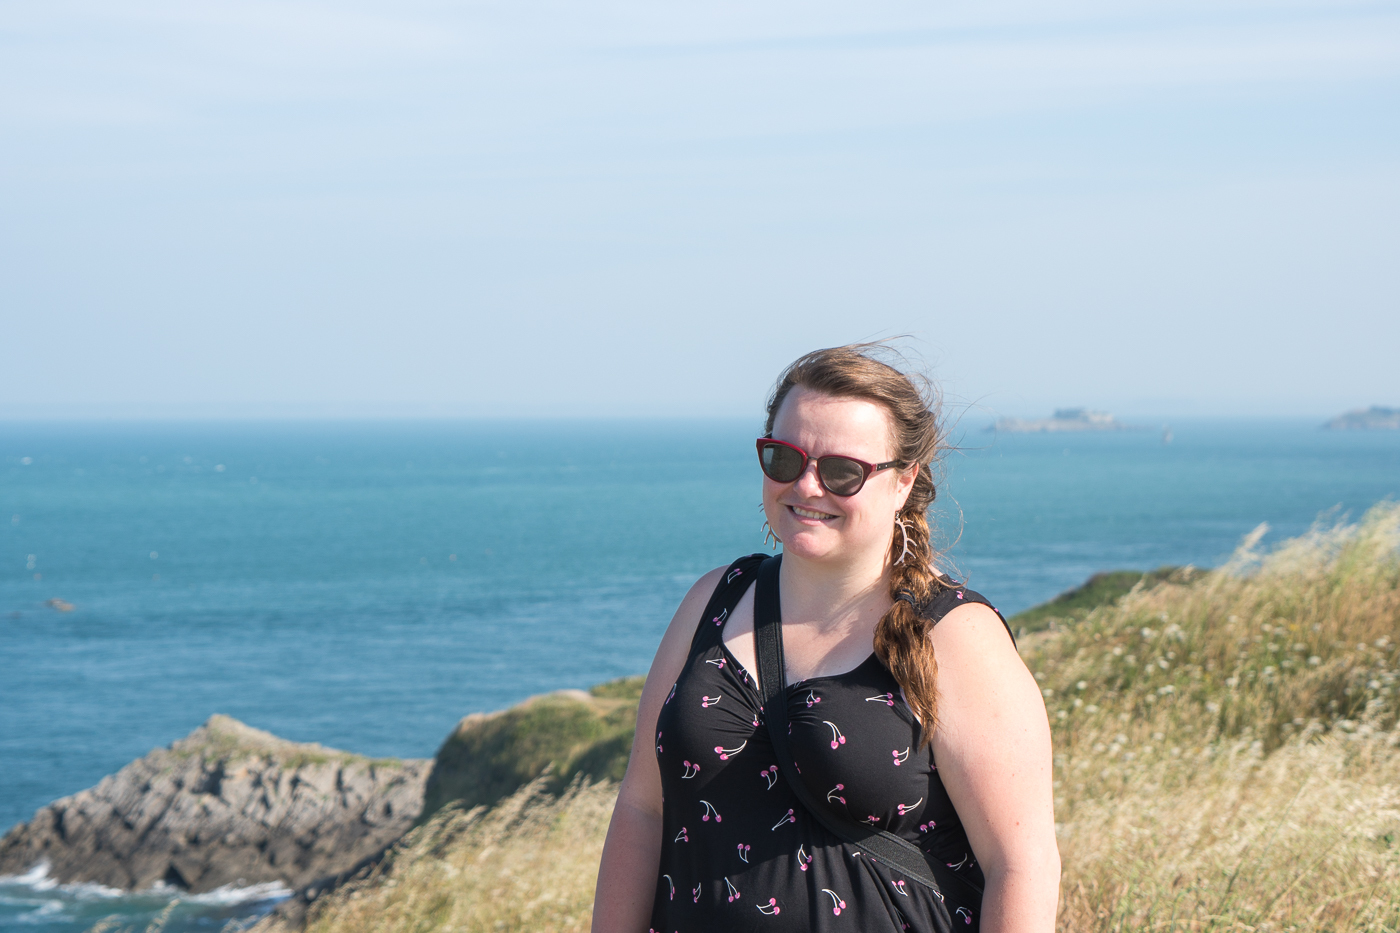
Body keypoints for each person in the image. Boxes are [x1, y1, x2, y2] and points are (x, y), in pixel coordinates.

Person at [592, 345, 1059, 932]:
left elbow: (1022, 866)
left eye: (842, 470)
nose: (807, 486)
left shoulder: (955, 637)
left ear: (903, 481)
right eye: (784, 459)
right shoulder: (713, 600)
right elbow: (642, 810)